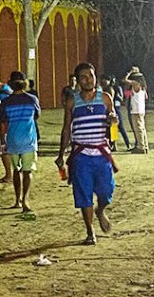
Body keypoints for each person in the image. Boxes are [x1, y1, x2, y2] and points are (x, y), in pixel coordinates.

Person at [56, 62, 119, 246]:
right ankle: (90, 231)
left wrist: (113, 123)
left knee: (106, 191)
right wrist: (61, 154)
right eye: (83, 77)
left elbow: (113, 125)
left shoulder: (105, 98)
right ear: (77, 80)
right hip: (81, 156)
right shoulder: (72, 102)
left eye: (91, 76)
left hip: (101, 154)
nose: (88, 80)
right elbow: (66, 129)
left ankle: (100, 210)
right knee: (84, 195)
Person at [0, 71, 40, 218]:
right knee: (27, 171)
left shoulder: (6, 102)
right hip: (29, 140)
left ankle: (17, 200)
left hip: (13, 140)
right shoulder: (32, 99)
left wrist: (3, 141)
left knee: (16, 170)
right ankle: (25, 200)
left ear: (10, 84)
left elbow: (2, 123)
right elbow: (37, 116)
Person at [0, 78, 14, 183]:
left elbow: (0, 112)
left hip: (4, 126)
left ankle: (9, 175)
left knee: (4, 151)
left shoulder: (2, 95)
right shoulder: (9, 91)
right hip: (13, 125)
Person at [102, 76, 131, 151]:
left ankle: (127, 144)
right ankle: (114, 145)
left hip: (116, 108)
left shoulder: (114, 88)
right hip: (113, 108)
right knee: (112, 128)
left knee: (119, 127)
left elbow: (121, 98)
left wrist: (118, 97)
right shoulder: (106, 89)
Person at [124, 68, 149, 153]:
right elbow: (129, 95)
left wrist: (130, 72)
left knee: (138, 129)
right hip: (141, 109)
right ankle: (145, 146)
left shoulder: (136, 84)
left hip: (136, 110)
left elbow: (125, 80)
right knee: (142, 129)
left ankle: (141, 147)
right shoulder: (143, 87)